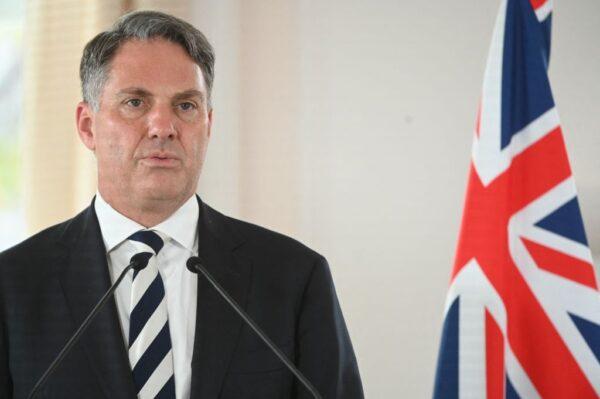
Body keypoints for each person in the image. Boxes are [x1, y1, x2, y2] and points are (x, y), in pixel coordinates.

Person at [0, 10, 363, 399]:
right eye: (136, 102)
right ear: (88, 126)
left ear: (208, 125)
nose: (163, 126)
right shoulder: (13, 286)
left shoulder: (294, 278)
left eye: (186, 106)